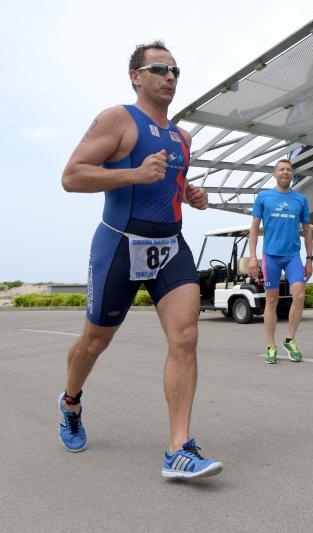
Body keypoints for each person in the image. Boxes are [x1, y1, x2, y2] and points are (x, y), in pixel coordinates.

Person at [58, 41, 222, 478]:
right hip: (118, 246)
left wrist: (192, 193)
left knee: (185, 337)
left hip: (170, 247)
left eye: (175, 71)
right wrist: (132, 173)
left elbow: (171, 184)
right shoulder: (118, 119)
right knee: (95, 342)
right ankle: (71, 401)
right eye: (159, 68)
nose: (169, 76)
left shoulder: (182, 137)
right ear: (136, 75)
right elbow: (71, 176)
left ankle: (178, 449)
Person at [248, 159, 313, 362]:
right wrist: (253, 257)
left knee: (300, 295)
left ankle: (290, 339)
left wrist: (309, 258)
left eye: (289, 170)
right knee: (271, 300)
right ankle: (271, 345)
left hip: (292, 256)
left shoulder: (300, 200)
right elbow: (254, 228)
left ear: (292, 175)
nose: (286, 172)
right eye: (282, 169)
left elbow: (307, 230)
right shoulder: (264, 197)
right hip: (271, 256)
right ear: (274, 174)